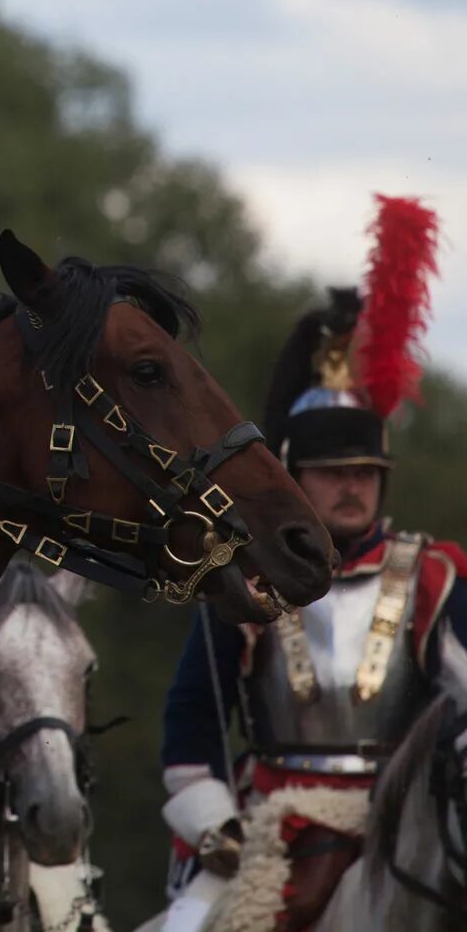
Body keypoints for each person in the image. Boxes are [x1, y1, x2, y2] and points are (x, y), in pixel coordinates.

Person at [158, 199, 467, 931]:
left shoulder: (435, 577)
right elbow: (193, 718)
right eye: (333, 473)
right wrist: (214, 821)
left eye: (365, 471)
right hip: (273, 826)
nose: (353, 486)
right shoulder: (248, 576)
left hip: (410, 821)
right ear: (298, 478)